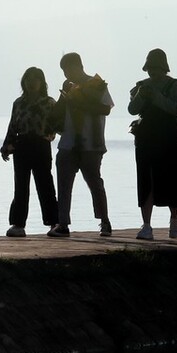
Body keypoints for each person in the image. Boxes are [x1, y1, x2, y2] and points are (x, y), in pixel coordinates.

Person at [127, 48, 177, 240]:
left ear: (163, 67)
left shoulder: (175, 85)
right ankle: (147, 225)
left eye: (155, 68)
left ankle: (174, 217)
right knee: (146, 180)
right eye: (150, 68)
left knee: (172, 178)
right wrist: (141, 95)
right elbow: (132, 109)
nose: (152, 72)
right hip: (146, 137)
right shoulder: (140, 86)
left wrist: (156, 97)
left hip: (168, 137)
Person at [49, 52, 113, 238]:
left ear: (77, 66)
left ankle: (105, 222)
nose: (65, 74)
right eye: (63, 71)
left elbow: (105, 109)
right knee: (64, 185)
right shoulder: (68, 87)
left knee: (95, 183)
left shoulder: (97, 84)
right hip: (68, 143)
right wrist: (64, 95)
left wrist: (80, 102)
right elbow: (58, 112)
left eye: (67, 70)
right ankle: (63, 224)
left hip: (91, 144)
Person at [0, 67, 59, 237]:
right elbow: (12, 126)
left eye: (35, 79)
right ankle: (18, 224)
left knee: (45, 185)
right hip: (22, 145)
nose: (32, 83)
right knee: (21, 187)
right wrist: (6, 146)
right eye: (28, 79)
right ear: (23, 82)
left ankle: (54, 222)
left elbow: (55, 127)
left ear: (42, 82)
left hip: (41, 145)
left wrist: (48, 135)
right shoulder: (18, 103)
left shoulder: (49, 102)